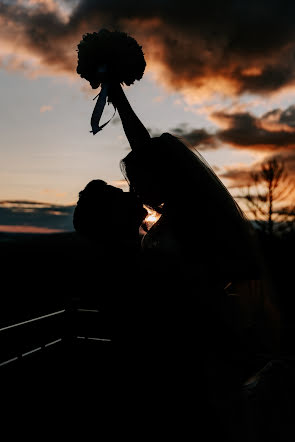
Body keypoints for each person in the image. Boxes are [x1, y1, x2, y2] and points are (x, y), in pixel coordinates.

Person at [106, 82, 280, 440]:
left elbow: (197, 284)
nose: (135, 189)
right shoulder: (179, 214)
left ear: (162, 176)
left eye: (140, 181)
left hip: (193, 345)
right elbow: (144, 146)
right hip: (178, 341)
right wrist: (116, 94)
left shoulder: (192, 221)